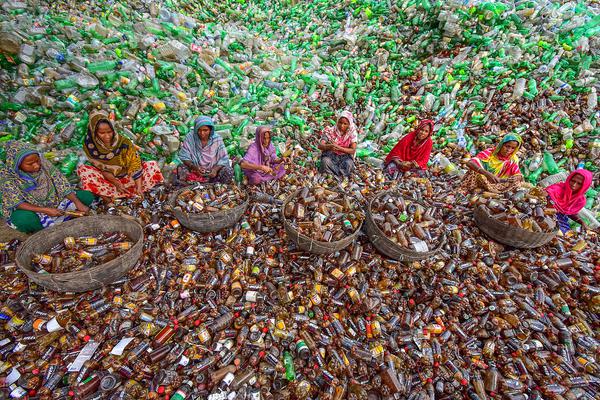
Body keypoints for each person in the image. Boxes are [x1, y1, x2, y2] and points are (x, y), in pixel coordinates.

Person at [0, 141, 95, 233]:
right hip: (32, 209)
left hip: (56, 201)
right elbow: (18, 203)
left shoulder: (44, 163)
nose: (36, 166)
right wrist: (45, 210)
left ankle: (59, 219)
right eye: (30, 164)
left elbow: (61, 183)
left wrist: (77, 203)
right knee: (23, 220)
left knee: (86, 197)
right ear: (17, 164)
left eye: (37, 161)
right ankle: (47, 228)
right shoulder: (7, 176)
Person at [77, 110, 164, 200]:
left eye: (109, 132)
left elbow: (135, 163)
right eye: (102, 133)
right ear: (94, 132)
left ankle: (136, 191)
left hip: (130, 177)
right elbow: (102, 169)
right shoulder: (90, 146)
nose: (107, 136)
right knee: (84, 171)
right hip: (110, 181)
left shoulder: (124, 142)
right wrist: (116, 183)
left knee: (152, 165)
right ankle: (108, 197)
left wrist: (138, 187)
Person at [177, 116, 233, 183]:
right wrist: (195, 167)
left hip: (212, 172)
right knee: (181, 167)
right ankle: (189, 186)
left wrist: (215, 169)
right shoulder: (190, 137)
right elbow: (184, 156)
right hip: (194, 170)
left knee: (228, 170)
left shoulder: (217, 139)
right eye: (199, 130)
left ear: (210, 130)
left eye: (205, 130)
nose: (202, 133)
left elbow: (223, 158)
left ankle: (218, 186)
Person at [318, 111, 357, 178]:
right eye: (340, 122)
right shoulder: (330, 131)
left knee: (349, 164)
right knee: (325, 161)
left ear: (349, 124)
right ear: (337, 121)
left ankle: (341, 176)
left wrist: (339, 148)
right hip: (331, 155)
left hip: (345, 157)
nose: (342, 126)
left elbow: (353, 150)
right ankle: (332, 176)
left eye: (345, 124)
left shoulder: (352, 133)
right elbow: (320, 146)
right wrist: (329, 147)